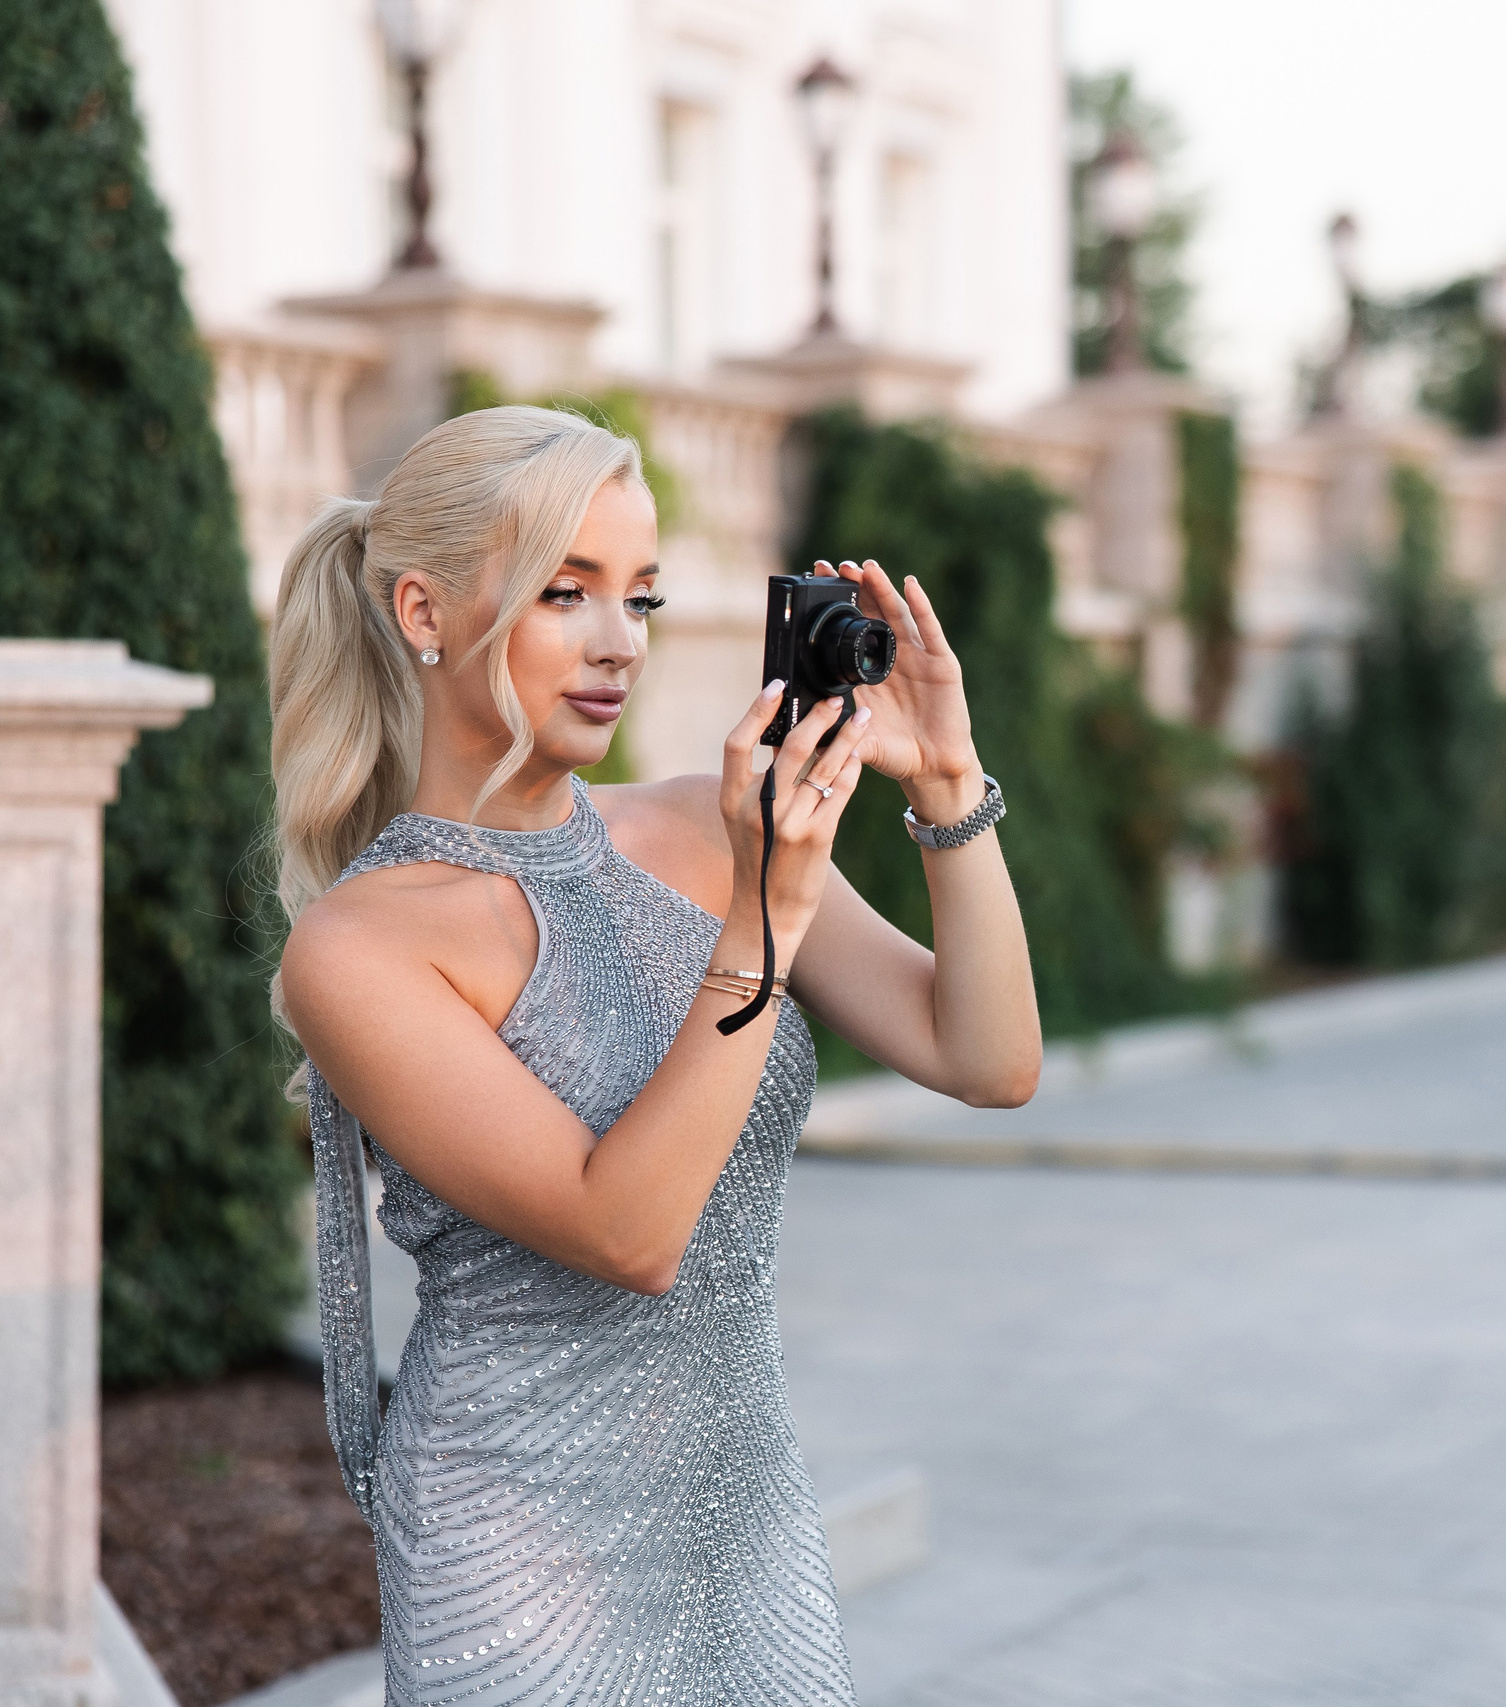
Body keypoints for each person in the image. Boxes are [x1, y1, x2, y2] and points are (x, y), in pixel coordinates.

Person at [270, 405, 1040, 1703]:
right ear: (424, 611)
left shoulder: (701, 827)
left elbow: (988, 1059)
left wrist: (949, 786)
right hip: (515, 1553)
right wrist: (764, 914)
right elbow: (629, 1233)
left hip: (745, 1513)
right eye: (564, 593)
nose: (618, 642)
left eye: (642, 595)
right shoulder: (360, 950)